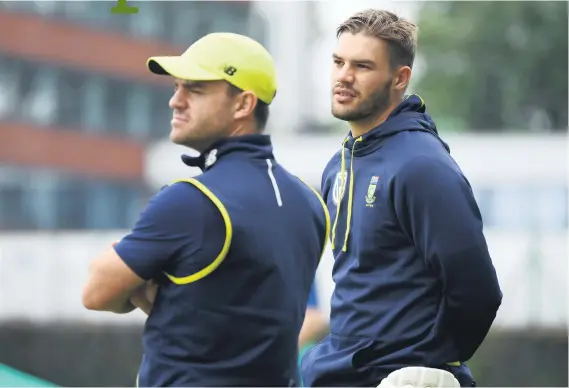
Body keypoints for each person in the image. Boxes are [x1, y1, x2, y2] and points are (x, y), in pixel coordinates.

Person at [82, 32, 330, 387]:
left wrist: (147, 291)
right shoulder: (309, 202)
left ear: (243, 104)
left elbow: (95, 291)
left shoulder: (190, 200)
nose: (176, 102)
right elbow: (246, 315)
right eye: (177, 88)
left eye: (195, 90)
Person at [299, 9, 502, 388]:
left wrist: (431, 366)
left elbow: (478, 292)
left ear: (400, 78)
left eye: (362, 66)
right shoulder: (338, 164)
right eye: (338, 62)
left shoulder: (422, 167)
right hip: (337, 374)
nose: (344, 76)